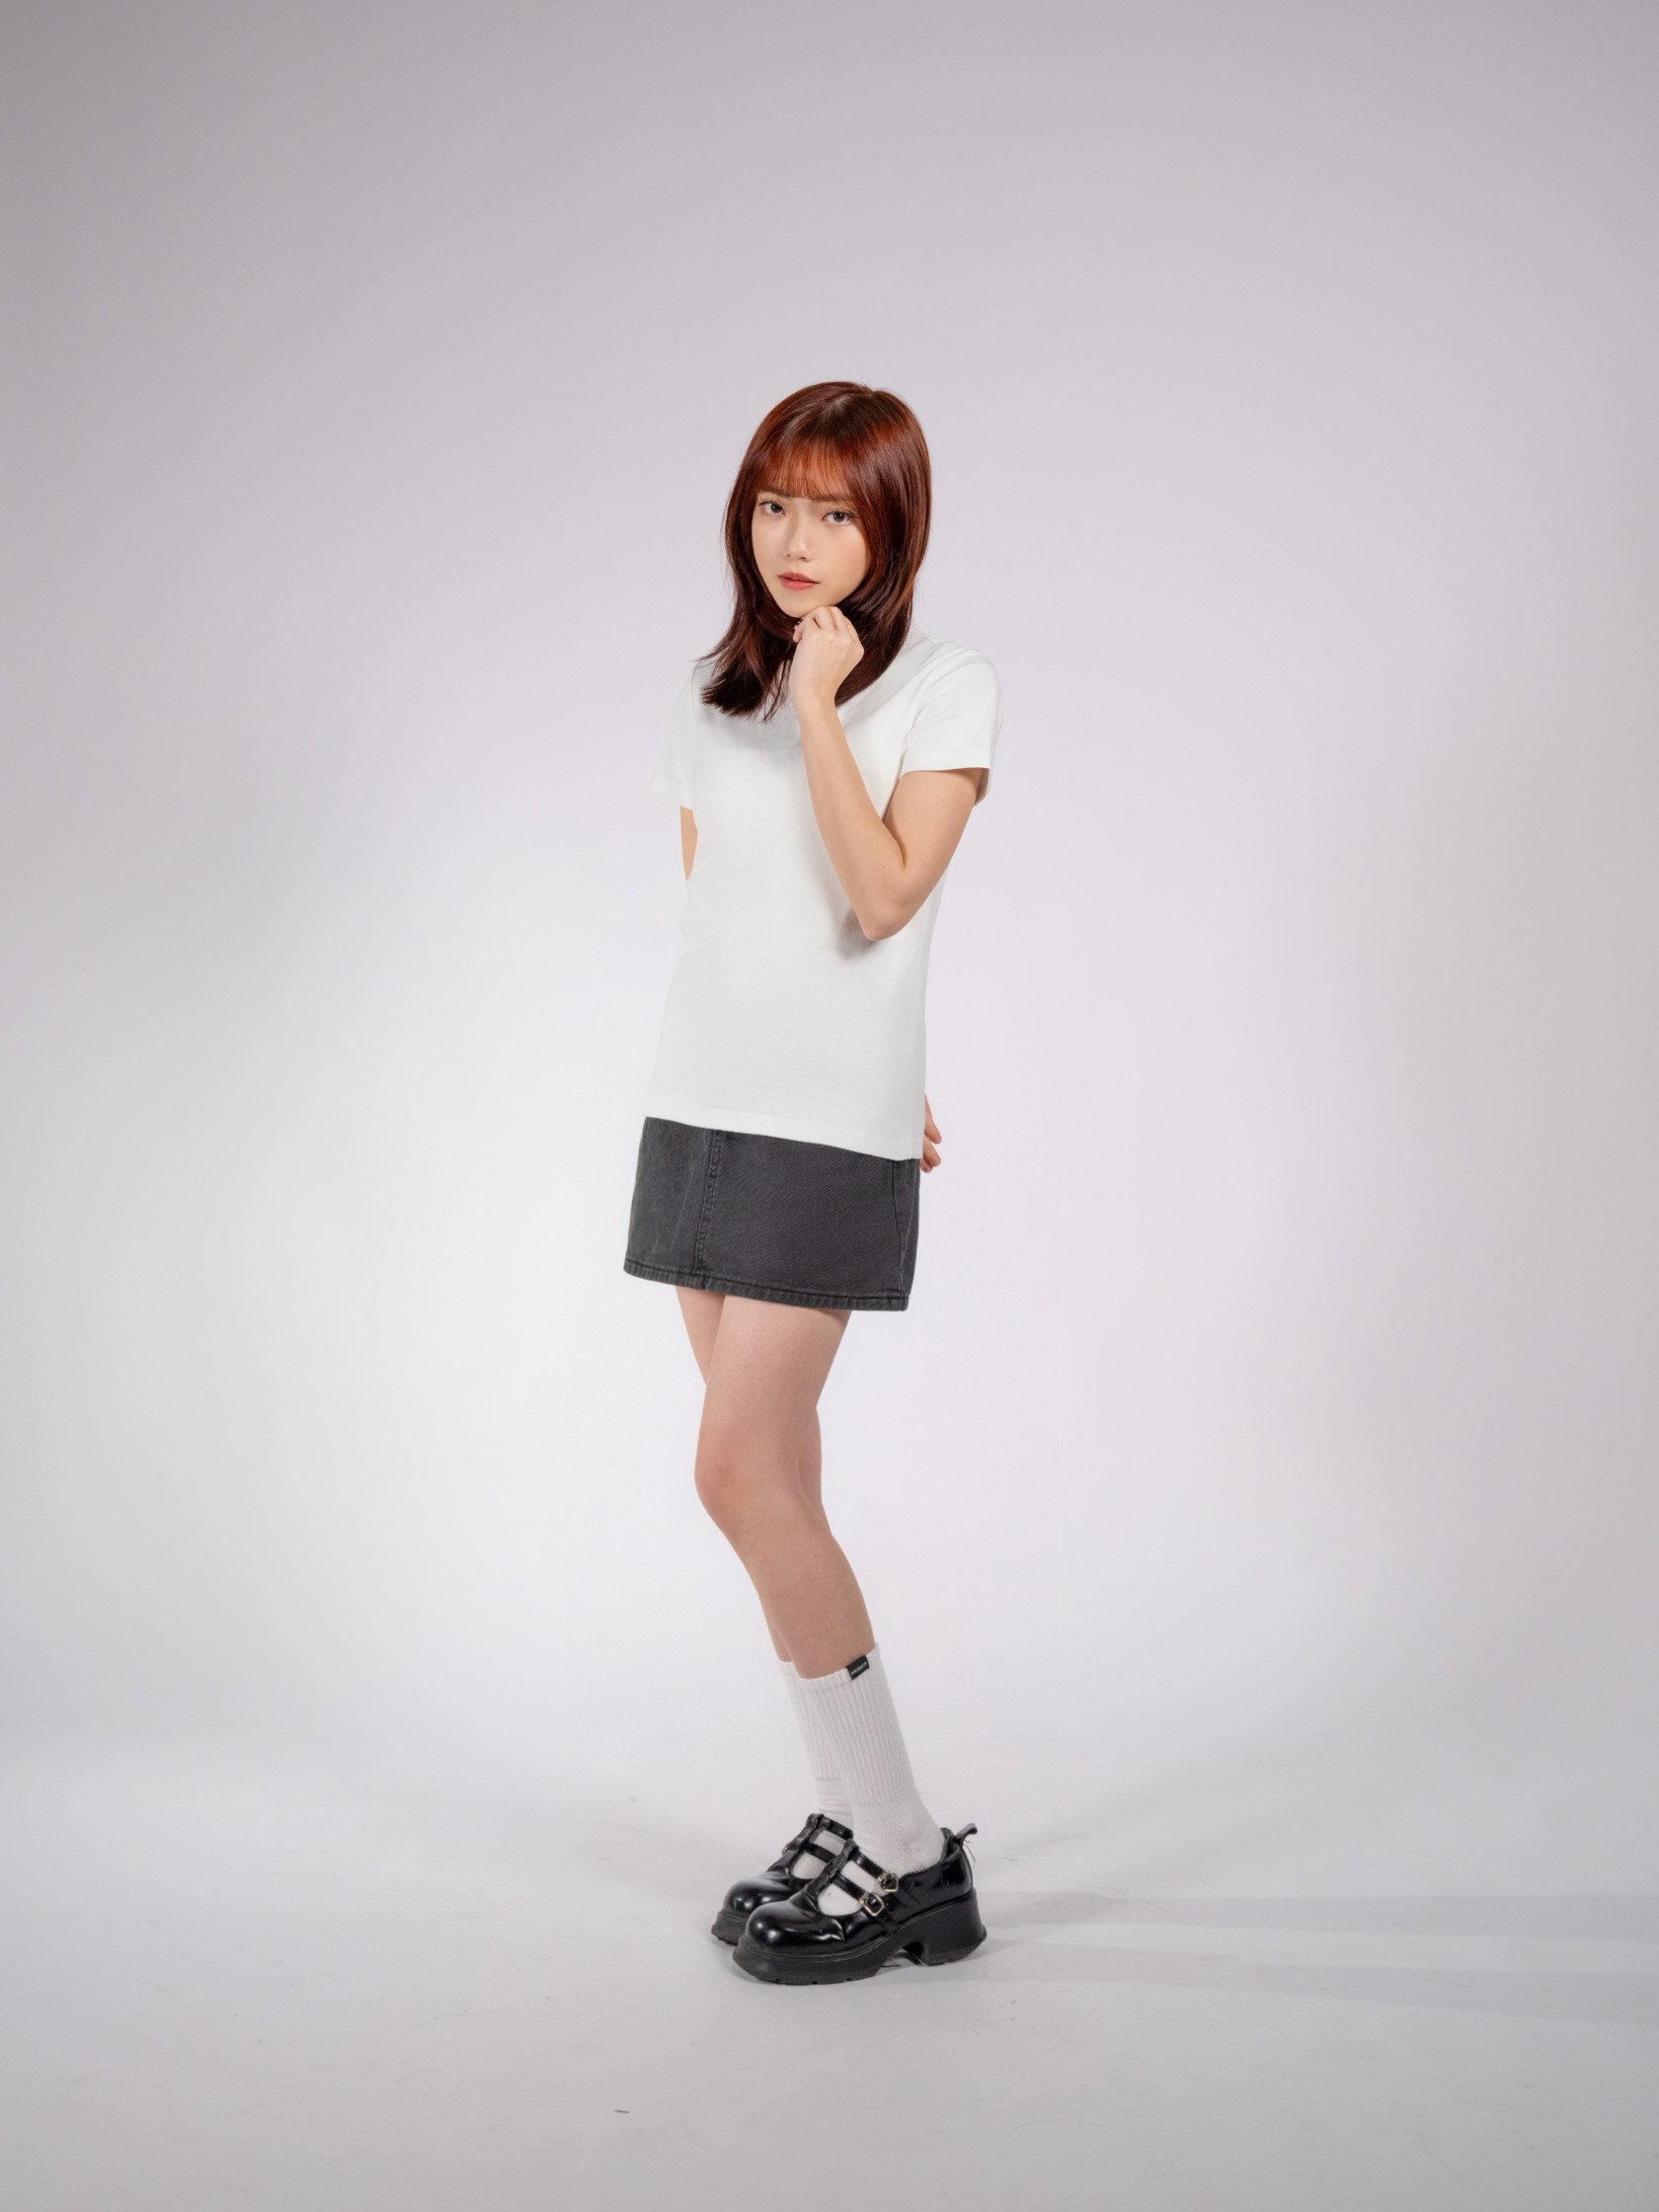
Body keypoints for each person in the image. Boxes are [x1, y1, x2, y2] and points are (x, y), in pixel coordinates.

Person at [623, 381, 1001, 1985]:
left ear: (889, 527)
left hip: (817, 1137)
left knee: (734, 1475)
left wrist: (832, 705)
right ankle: (855, 1816)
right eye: (776, 502)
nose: (796, 538)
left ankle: (909, 1856)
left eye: (834, 511)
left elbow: (883, 893)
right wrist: (876, 1055)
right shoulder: (711, 695)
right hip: (701, 1109)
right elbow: (725, 913)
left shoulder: (944, 686)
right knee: (773, 1479)